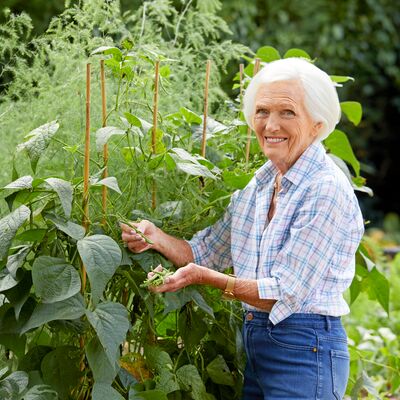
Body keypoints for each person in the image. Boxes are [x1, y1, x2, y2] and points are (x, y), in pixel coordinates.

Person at [121, 57, 364, 399]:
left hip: (306, 347)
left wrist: (204, 278)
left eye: (287, 113)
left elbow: (285, 292)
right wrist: (153, 237)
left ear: (317, 124)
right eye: (262, 111)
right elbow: (205, 252)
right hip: (259, 344)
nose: (270, 124)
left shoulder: (324, 189)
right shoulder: (258, 187)